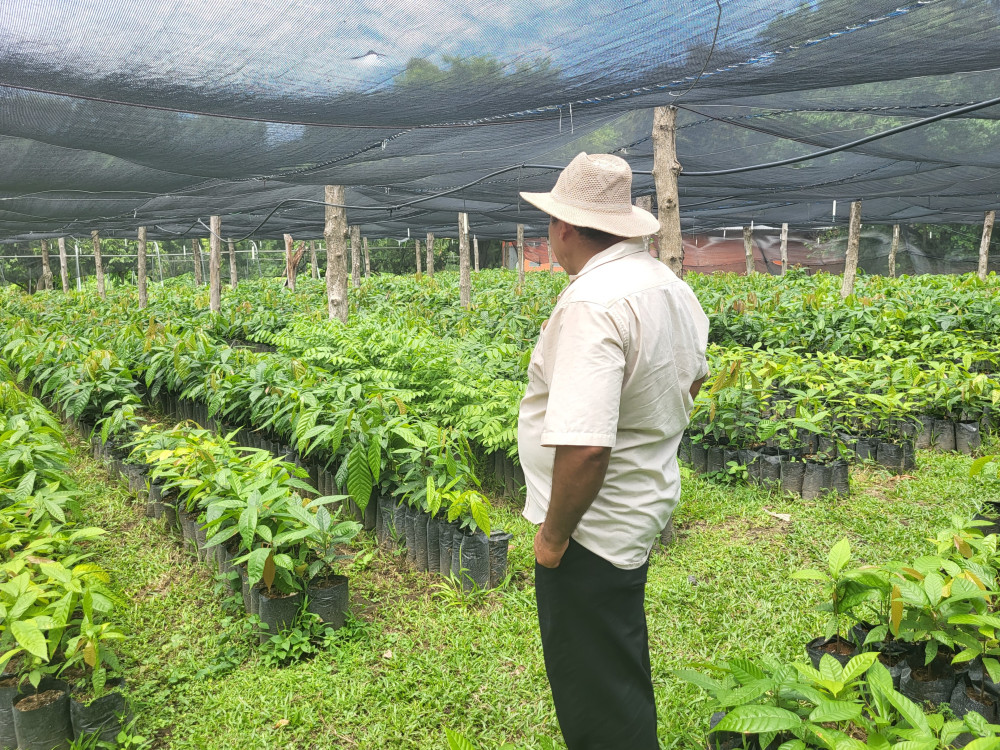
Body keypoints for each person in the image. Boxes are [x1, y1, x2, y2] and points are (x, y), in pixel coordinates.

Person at [517, 152, 710, 750]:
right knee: (615, 659)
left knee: (594, 694)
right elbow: (694, 378)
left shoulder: (590, 304)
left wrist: (552, 539)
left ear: (565, 228)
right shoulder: (670, 287)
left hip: (590, 530)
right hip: (641, 503)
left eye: (551, 221)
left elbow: (585, 449)